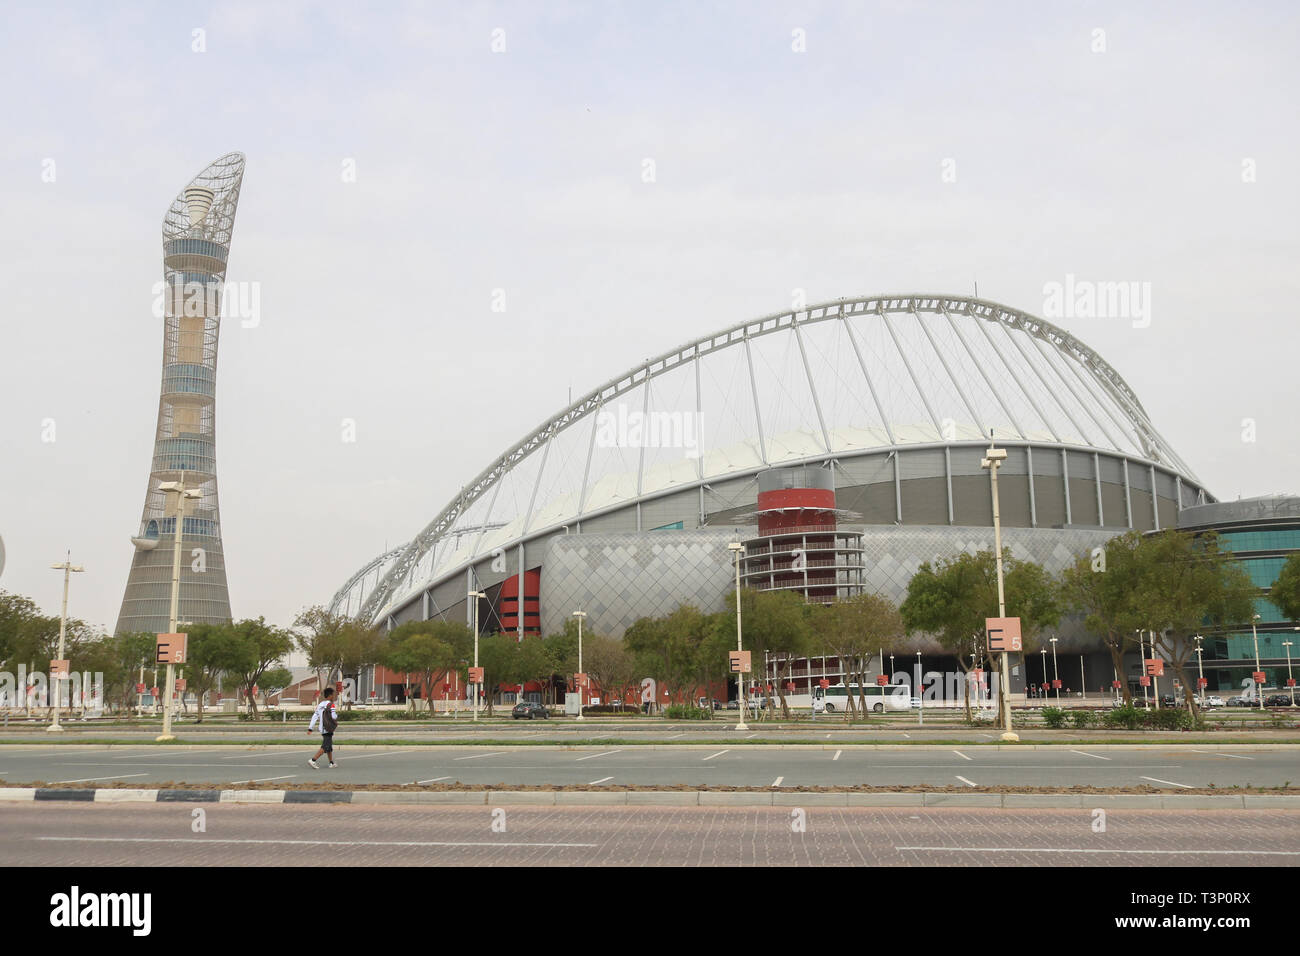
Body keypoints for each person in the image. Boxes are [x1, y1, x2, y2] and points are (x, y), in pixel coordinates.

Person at [308, 687, 339, 769]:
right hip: (328, 728)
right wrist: (337, 716)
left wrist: (310, 728)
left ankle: (331, 763)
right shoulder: (331, 704)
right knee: (325, 746)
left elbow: (315, 716)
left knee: (329, 746)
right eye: (333, 695)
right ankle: (313, 760)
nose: (334, 696)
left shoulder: (320, 705)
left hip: (322, 728)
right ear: (330, 695)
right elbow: (334, 716)